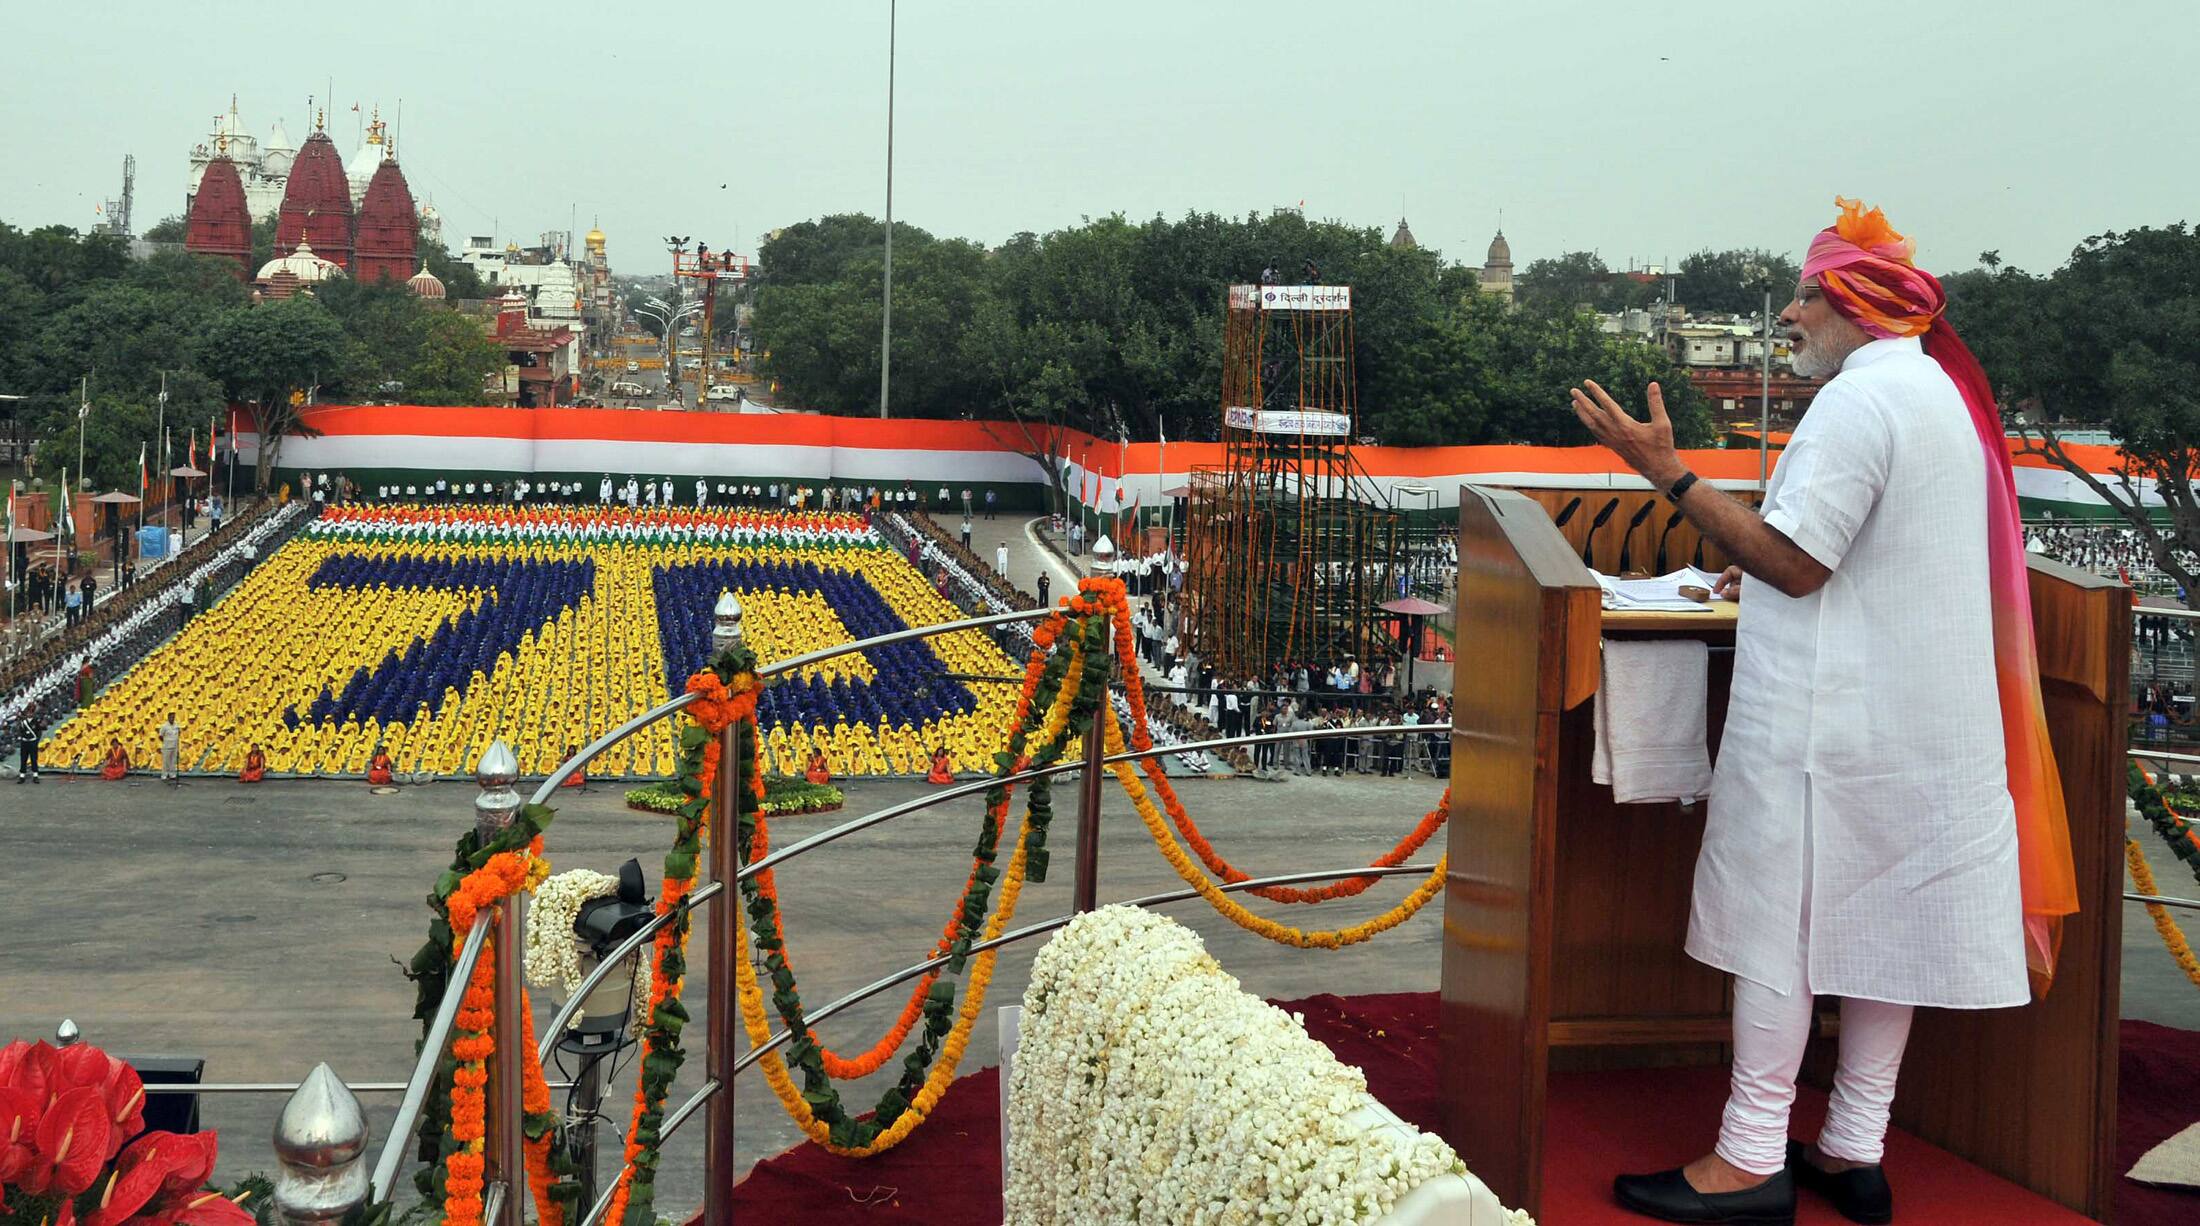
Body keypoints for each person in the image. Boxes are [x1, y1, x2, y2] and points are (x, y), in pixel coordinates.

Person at [1581, 199, 2078, 1226]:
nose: (1789, 314)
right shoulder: (1934, 392)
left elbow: (1796, 563)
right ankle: (1853, 1147)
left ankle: (1750, 1157)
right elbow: (1860, 556)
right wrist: (1747, 557)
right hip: (1913, 731)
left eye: (1806, 293)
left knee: (1783, 932)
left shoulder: (1857, 404)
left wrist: (1665, 469)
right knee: (1880, 934)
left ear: (1854, 302)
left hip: (1827, 733)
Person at [13, 715, 40, 784]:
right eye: (28, 711)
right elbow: (20, 731)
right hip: (25, 742)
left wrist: (36, 740)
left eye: (31, 711)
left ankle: (35, 775)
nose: (30, 713)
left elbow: (39, 731)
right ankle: (22, 776)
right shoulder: (23, 721)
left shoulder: (36, 721)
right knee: (23, 759)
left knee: (34, 759)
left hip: (33, 741)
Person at [157, 713, 181, 784]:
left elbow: (179, 733)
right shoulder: (164, 726)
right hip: (167, 746)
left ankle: (172, 775)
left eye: (173, 717)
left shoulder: (176, 725)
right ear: (168, 718)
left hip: (175, 746)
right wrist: (166, 741)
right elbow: (160, 736)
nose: (172, 719)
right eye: (171, 717)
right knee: (166, 761)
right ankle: (164, 775)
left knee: (173, 761)